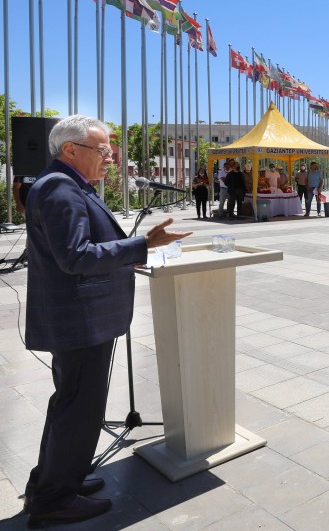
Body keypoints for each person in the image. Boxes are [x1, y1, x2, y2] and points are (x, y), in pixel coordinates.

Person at [23, 115, 191, 528]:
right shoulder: (60, 187)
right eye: (103, 150)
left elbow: (85, 248)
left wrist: (128, 253)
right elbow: (76, 256)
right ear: (70, 150)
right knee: (78, 409)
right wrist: (140, 245)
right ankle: (52, 500)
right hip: (79, 321)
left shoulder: (66, 183)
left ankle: (58, 481)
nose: (111, 158)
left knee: (74, 405)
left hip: (81, 320)